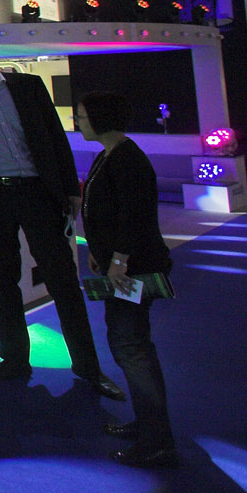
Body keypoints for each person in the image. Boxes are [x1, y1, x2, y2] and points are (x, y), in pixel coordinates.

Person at [0, 33, 125, 400]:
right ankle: (14, 359)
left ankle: (88, 367)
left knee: (62, 280)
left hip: (38, 193)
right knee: (3, 281)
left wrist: (71, 189)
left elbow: (55, 138)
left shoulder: (28, 87)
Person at [74, 91, 179, 468]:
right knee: (128, 344)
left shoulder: (127, 160)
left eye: (83, 116)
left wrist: (118, 259)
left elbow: (135, 217)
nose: (78, 122)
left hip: (133, 270)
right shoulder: (109, 155)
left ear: (101, 118)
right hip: (121, 267)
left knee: (132, 348)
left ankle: (157, 441)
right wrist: (99, 251)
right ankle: (149, 425)